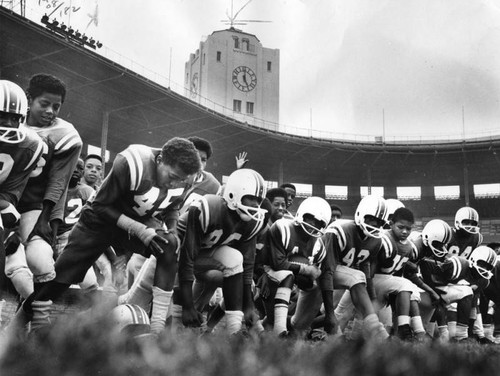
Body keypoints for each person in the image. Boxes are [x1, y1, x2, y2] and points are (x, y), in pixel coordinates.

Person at [7, 137, 202, 336]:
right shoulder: (132, 162)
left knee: (168, 244)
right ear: (160, 160)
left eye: (180, 180)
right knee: (58, 281)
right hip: (98, 222)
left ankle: (157, 330)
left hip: (133, 223)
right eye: (172, 176)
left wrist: (171, 228)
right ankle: (15, 326)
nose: (175, 183)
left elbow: (173, 206)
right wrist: (141, 231)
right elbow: (101, 206)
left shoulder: (184, 176)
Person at [5, 74, 83, 300]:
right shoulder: (10, 119)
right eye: (45, 104)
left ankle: (34, 320)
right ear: (29, 99)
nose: (50, 111)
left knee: (40, 261)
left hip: (33, 205)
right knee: (11, 262)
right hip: (5, 201)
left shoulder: (65, 135)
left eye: (56, 106)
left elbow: (59, 181)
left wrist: (48, 220)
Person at [170, 168, 268, 335]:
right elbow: (185, 258)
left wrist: (249, 307)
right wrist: (186, 306)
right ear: (233, 194)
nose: (255, 205)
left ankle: (233, 330)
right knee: (156, 306)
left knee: (236, 260)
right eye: (250, 198)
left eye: (258, 201)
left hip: (205, 257)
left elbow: (247, 265)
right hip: (174, 256)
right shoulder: (208, 208)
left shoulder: (252, 223)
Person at [307, 195, 391, 341]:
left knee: (304, 321)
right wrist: (329, 315)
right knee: (305, 316)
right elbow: (327, 269)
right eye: (371, 218)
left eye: (379, 222)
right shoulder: (340, 230)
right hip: (319, 272)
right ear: (360, 214)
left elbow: (366, 267)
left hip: (341, 275)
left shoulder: (376, 241)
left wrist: (372, 298)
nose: (374, 225)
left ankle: (375, 328)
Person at [258, 196, 332, 337]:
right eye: (310, 218)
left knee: (315, 289)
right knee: (287, 275)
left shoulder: (318, 245)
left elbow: (316, 274)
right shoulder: (283, 227)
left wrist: (310, 273)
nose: (313, 224)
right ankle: (275, 328)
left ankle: (297, 326)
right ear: (301, 214)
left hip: (290, 282)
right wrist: (306, 269)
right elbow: (278, 264)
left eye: (318, 222)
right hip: (269, 278)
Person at [0, 80, 44, 297]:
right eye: (2, 116)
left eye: (15, 118)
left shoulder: (30, 145)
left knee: (8, 228)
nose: (8, 123)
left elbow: (11, 192)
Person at [372, 207, 424, 341]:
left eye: (408, 228)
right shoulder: (382, 239)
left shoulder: (409, 246)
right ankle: (405, 329)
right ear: (391, 224)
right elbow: (370, 266)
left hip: (386, 282)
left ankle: (405, 331)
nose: (405, 231)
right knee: (342, 314)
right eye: (401, 227)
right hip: (370, 280)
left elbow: (398, 273)